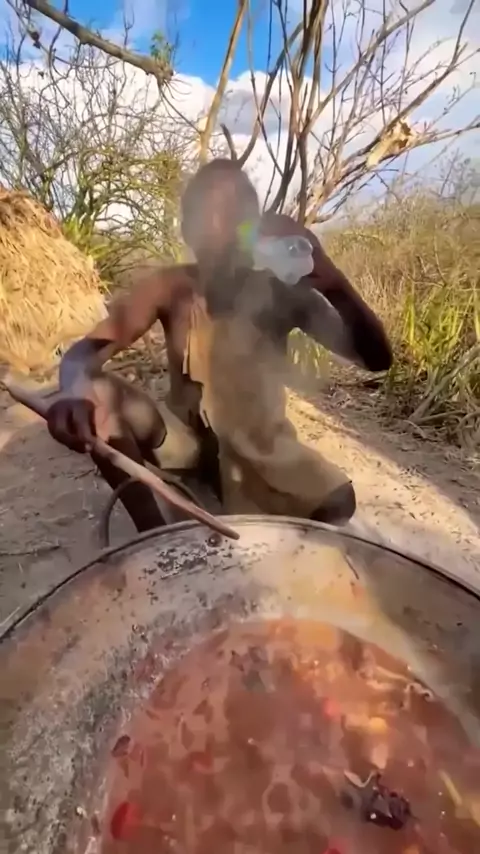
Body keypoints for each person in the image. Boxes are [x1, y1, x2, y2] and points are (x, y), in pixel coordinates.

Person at [46, 159, 392, 532]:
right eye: (206, 214)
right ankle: (156, 540)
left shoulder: (284, 292)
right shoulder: (170, 287)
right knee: (99, 395)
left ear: (254, 226)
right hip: (184, 446)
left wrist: (335, 284)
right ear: (187, 231)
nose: (218, 227)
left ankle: (242, 503)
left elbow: (376, 359)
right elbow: (85, 352)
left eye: (233, 211)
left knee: (339, 501)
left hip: (262, 450)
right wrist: (74, 391)